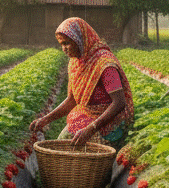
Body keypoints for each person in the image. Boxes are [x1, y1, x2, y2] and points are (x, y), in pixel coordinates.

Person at [30, 17, 134, 147]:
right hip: (84, 117)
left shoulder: (105, 64)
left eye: (67, 43)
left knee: (85, 154)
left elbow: (119, 103)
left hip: (107, 123)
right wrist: (45, 120)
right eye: (61, 44)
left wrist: (91, 128)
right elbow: (72, 100)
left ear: (80, 40)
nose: (64, 48)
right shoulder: (75, 63)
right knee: (63, 145)